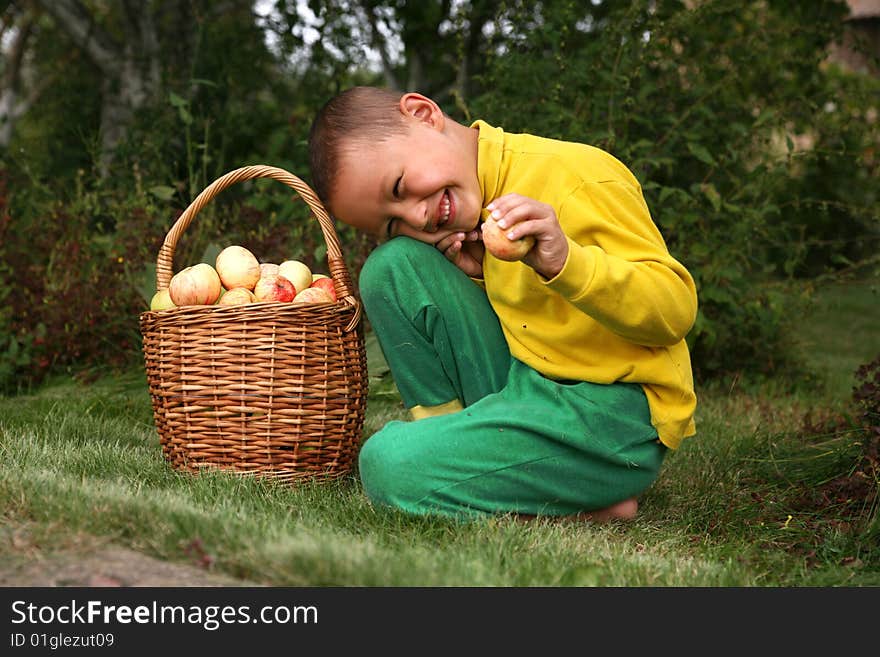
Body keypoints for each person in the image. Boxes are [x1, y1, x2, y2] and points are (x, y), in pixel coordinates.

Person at [308, 85, 698, 522]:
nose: (415, 217)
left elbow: (675, 310)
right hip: (529, 388)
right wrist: (476, 278)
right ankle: (461, 457)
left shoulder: (575, 174)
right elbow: (537, 327)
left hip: (611, 414)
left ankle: (487, 485)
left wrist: (566, 261)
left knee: (384, 464)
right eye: (393, 222)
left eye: (399, 187)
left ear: (422, 113)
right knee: (390, 269)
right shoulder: (474, 221)